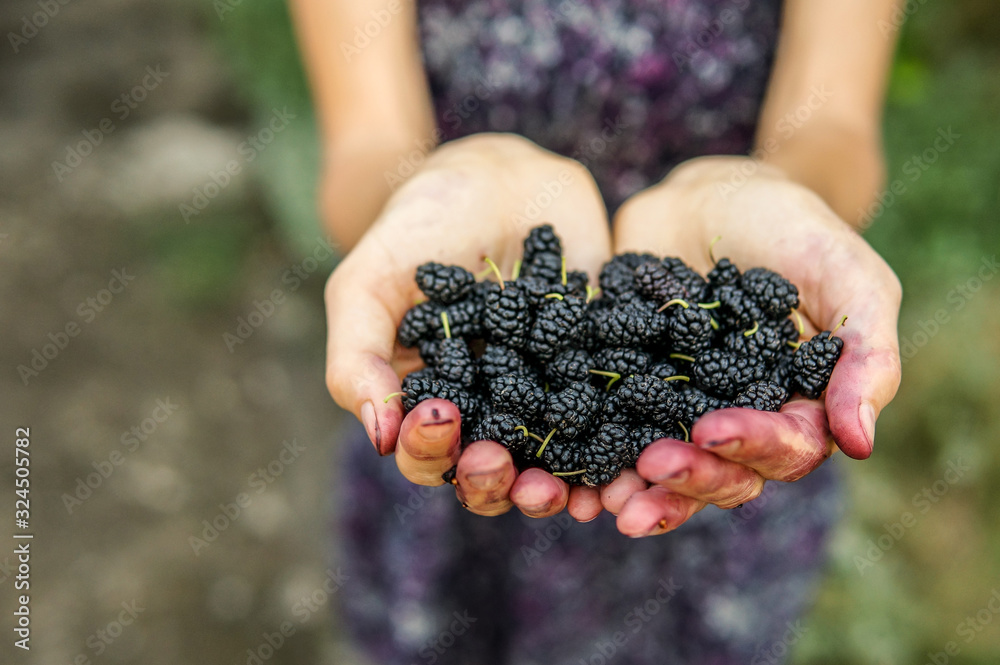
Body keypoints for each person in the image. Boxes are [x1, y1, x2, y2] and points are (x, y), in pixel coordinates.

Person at [289, 0, 903, 662]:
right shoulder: (497, 346)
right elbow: (364, 150)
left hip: (719, 432)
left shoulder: (693, 347)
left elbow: (836, 128)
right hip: (466, 381)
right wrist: (416, 198)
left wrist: (785, 196)